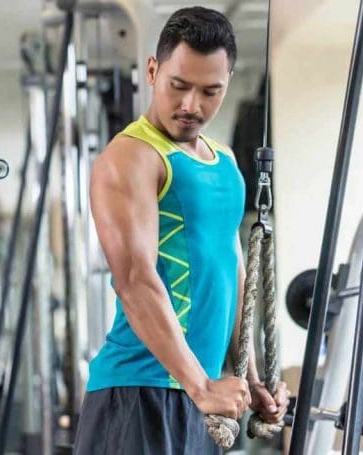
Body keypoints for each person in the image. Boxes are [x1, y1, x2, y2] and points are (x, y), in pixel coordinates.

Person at [74, 7, 289, 454]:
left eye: (211, 91)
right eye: (179, 86)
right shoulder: (130, 157)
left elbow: (231, 271)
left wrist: (251, 377)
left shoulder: (224, 160)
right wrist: (201, 386)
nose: (192, 105)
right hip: (140, 391)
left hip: (198, 393)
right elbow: (135, 280)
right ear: (152, 71)